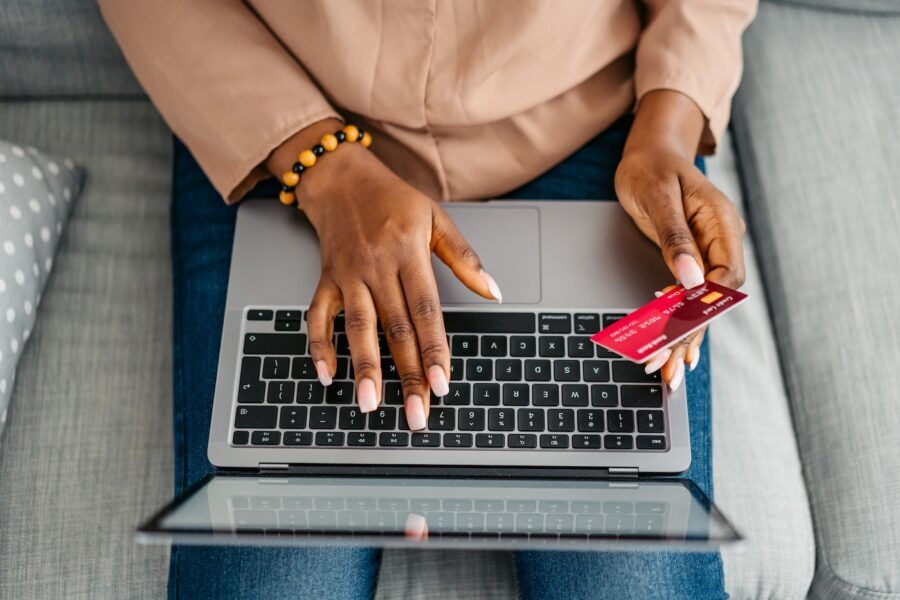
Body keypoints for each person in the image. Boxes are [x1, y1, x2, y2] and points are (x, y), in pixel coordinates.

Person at [100, 1, 755, 598]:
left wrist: (667, 127)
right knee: (275, 582)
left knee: (633, 583)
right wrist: (324, 166)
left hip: (587, 122)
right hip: (288, 121)